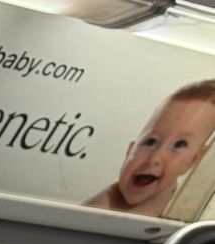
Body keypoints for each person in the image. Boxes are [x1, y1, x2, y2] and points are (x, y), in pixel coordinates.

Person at [84, 80, 215, 217]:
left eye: (179, 145)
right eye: (150, 142)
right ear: (130, 150)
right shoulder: (100, 207)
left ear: (195, 160)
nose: (155, 158)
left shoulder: (182, 209)